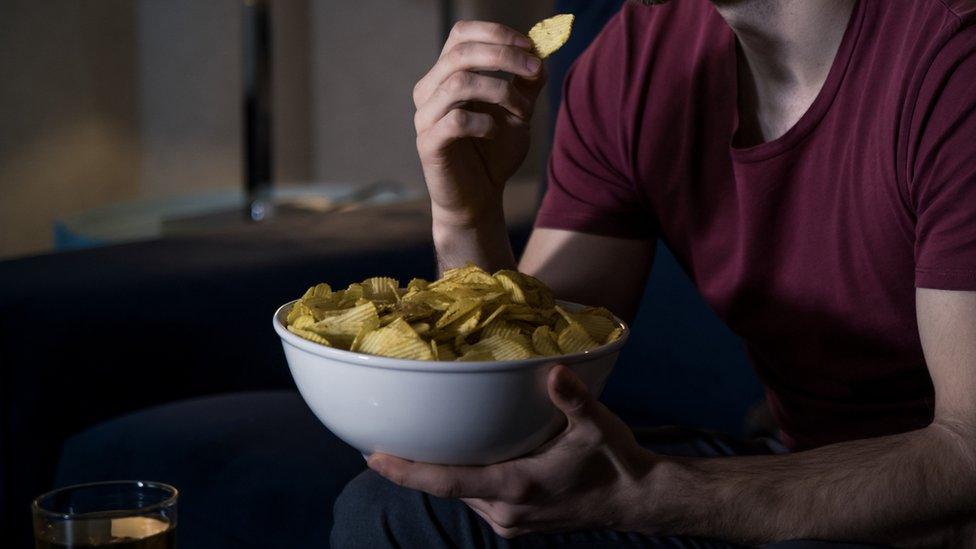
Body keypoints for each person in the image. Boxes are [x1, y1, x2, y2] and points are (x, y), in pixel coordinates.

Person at [331, 0, 976, 546]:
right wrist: (465, 212)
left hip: (947, 502)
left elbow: (966, 451)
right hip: (792, 464)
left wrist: (653, 490)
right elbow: (535, 397)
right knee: (400, 513)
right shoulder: (638, 61)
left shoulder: (952, 60)